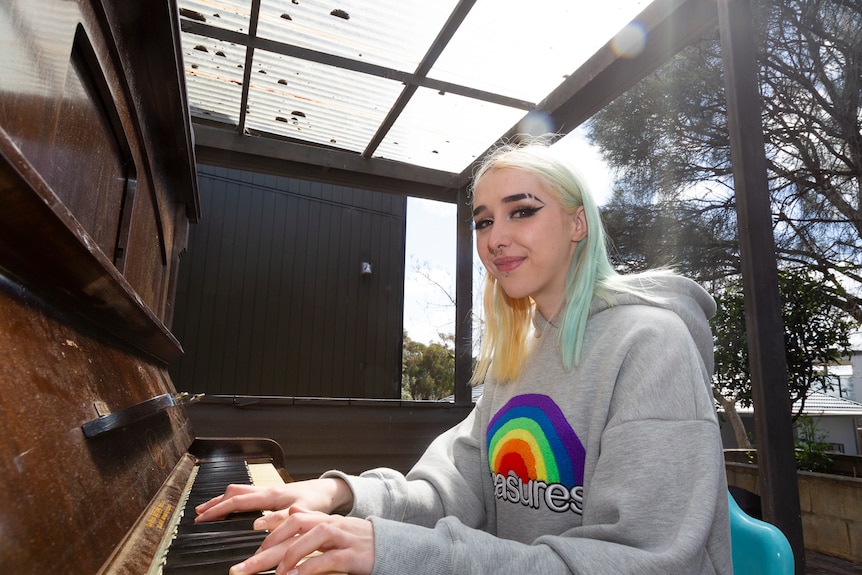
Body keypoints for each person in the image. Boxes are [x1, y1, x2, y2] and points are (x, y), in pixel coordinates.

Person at [195, 137, 732, 575]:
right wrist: (340, 492)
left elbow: (648, 563)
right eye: (482, 221)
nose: (496, 237)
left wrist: (399, 551)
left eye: (521, 211)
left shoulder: (651, 345)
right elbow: (452, 493)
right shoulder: (515, 358)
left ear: (577, 224)